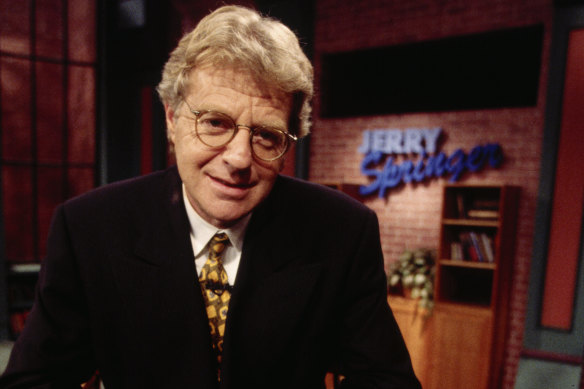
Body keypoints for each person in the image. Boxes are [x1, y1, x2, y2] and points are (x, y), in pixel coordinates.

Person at [0, 5, 421, 389]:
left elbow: (387, 381)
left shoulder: (341, 231)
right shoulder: (89, 229)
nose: (239, 158)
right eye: (216, 123)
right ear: (171, 117)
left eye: (267, 135)